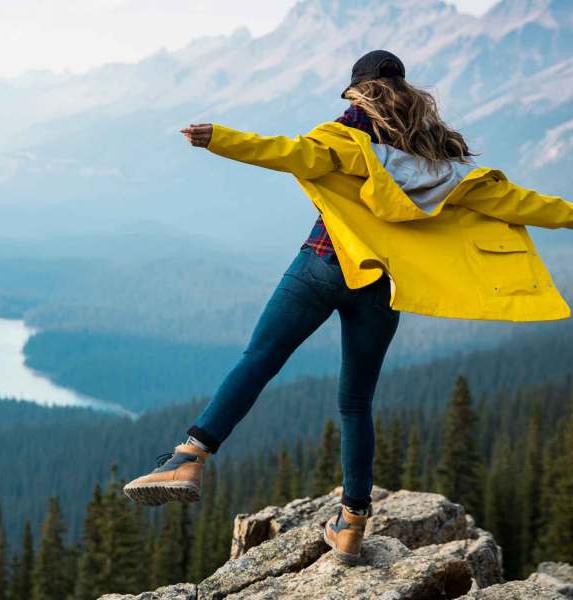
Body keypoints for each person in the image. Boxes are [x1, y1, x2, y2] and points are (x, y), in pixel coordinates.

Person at [123, 49, 573, 564]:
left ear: (357, 90)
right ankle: (353, 522)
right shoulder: (439, 163)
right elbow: (517, 202)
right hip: (380, 288)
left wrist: (217, 138)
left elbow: (287, 152)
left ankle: (188, 458)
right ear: (408, 95)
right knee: (356, 402)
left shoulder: (344, 138)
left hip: (322, 263)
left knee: (259, 360)